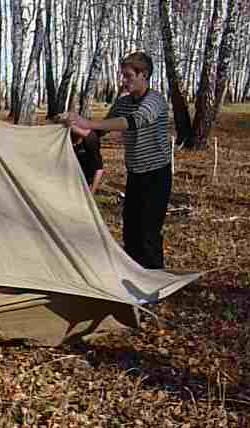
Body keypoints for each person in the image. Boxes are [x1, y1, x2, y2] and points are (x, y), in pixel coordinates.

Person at [62, 52, 172, 269]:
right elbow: (99, 132)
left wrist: (88, 122)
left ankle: (154, 285)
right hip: (135, 175)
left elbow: (132, 122)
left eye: (129, 76)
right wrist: (69, 127)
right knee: (130, 231)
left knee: (148, 233)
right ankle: (133, 278)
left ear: (144, 75)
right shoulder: (122, 103)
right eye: (123, 75)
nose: (124, 81)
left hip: (156, 175)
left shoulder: (155, 100)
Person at [70, 124, 104, 194]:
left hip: (85, 180)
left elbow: (99, 168)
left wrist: (91, 192)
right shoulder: (66, 139)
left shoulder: (90, 141)